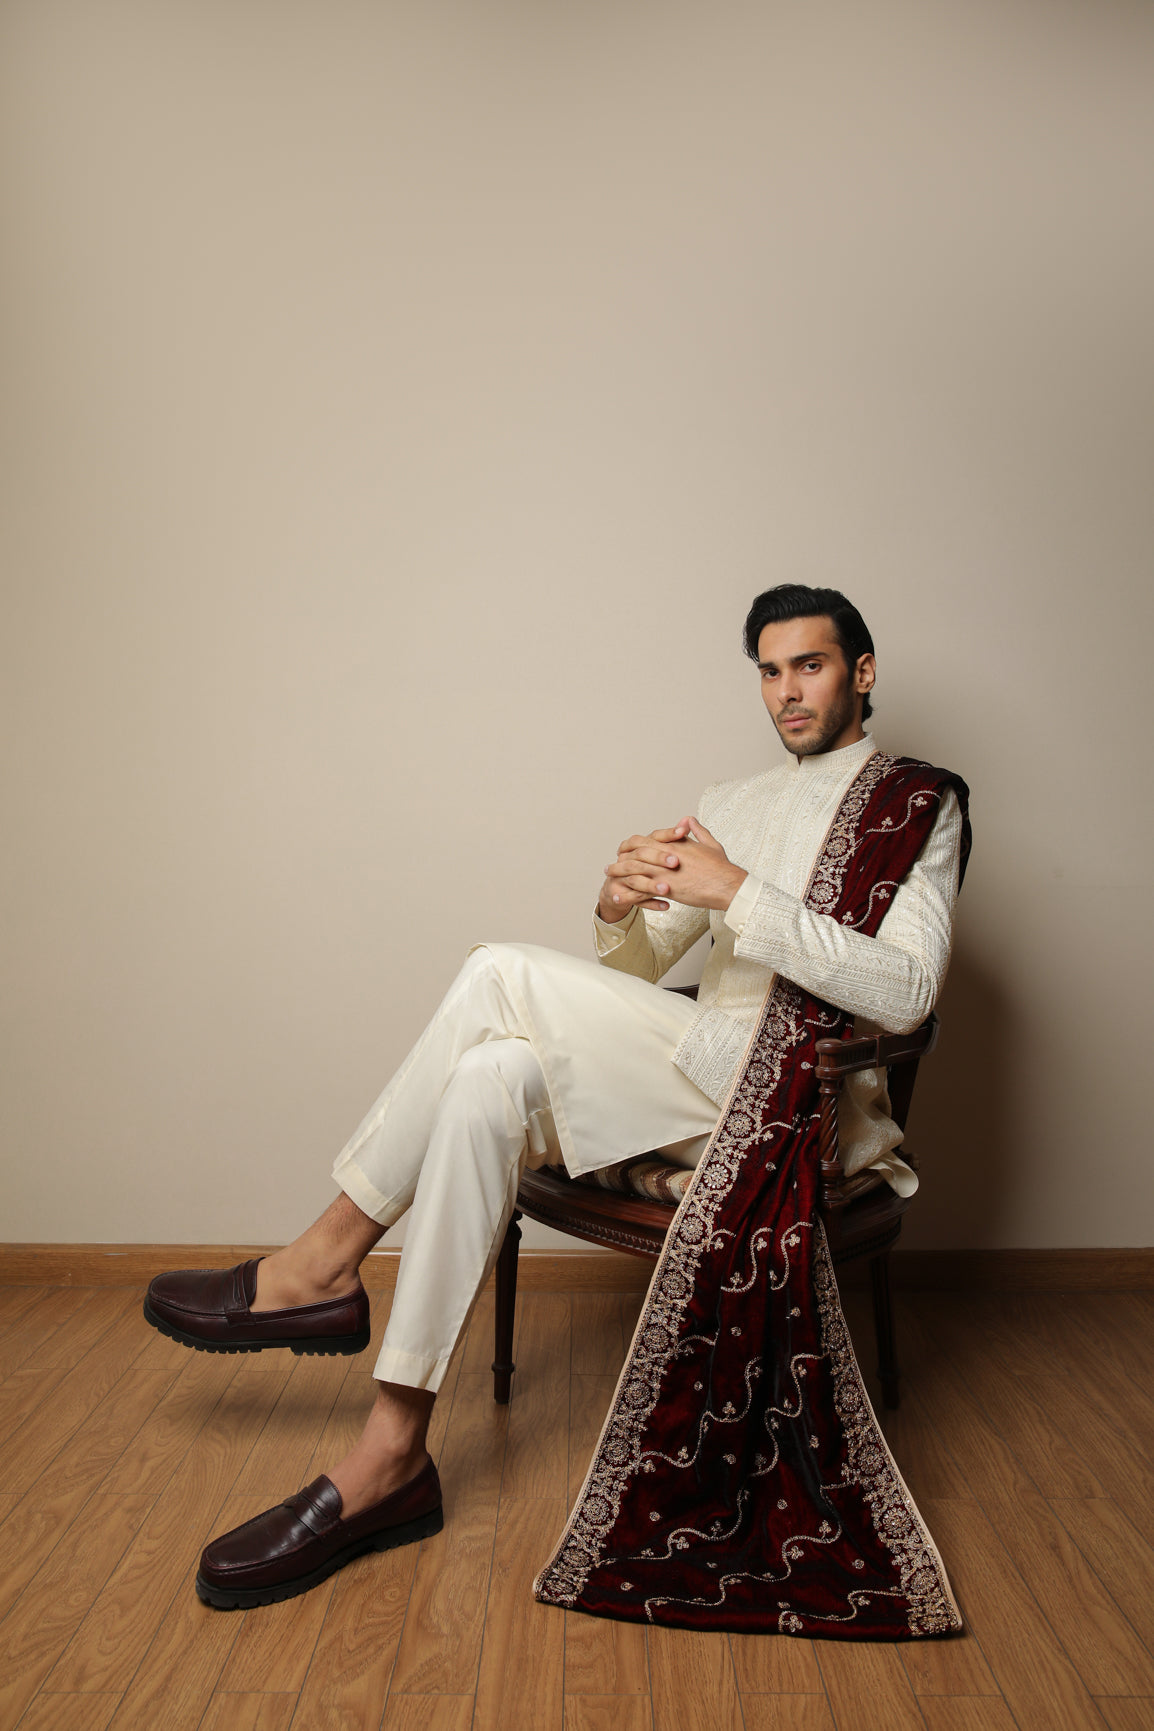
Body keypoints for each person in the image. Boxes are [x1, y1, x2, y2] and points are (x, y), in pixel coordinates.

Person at [144, 585, 964, 1612]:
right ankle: (391, 1453)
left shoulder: (918, 803)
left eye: (810, 665)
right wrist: (616, 903)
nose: (787, 691)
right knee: (486, 1080)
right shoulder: (731, 799)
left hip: (807, 1094)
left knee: (495, 971)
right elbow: (638, 963)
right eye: (769, 670)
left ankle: (320, 1263)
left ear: (861, 671)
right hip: (697, 1067)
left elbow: (907, 991)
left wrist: (735, 891)